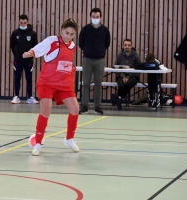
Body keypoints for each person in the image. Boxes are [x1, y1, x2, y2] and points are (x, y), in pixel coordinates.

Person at [22, 18, 79, 156]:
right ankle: (38, 143)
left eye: (72, 34)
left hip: (64, 83)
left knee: (75, 109)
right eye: (66, 33)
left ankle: (69, 139)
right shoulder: (52, 41)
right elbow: (37, 50)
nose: (69, 37)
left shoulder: (72, 46)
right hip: (47, 82)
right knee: (46, 111)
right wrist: (29, 53)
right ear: (61, 30)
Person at [78, 8, 111, 115]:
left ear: (100, 17)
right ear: (90, 17)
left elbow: (107, 44)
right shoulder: (85, 29)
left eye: (97, 17)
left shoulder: (105, 30)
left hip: (100, 59)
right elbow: (80, 44)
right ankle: (84, 106)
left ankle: (97, 106)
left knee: (98, 84)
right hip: (87, 59)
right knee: (86, 83)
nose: (95, 18)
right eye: (93, 17)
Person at [10, 14, 38, 104]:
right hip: (17, 60)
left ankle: (30, 97)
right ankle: (16, 97)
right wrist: (17, 54)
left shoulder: (32, 33)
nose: (23, 24)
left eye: (24, 23)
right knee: (17, 78)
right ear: (19, 22)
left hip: (28, 61)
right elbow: (12, 45)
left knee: (29, 78)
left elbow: (35, 47)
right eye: (21, 23)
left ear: (27, 22)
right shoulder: (15, 33)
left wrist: (29, 55)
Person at [114, 39, 141, 110]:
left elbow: (138, 68)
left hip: (133, 76)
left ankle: (118, 98)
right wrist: (123, 76)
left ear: (131, 46)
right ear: (123, 46)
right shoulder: (120, 55)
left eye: (129, 45)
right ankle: (118, 99)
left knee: (127, 84)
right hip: (121, 76)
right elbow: (116, 67)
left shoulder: (136, 56)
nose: (127, 46)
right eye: (125, 45)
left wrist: (128, 77)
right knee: (121, 84)